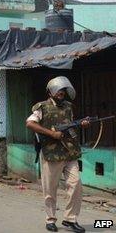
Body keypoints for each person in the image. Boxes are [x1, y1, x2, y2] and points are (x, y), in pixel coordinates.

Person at [26, 76, 87, 233]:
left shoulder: (68, 107)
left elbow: (70, 126)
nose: (61, 93)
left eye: (63, 90)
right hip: (51, 154)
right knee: (50, 189)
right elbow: (30, 123)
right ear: (51, 91)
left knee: (76, 185)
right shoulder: (42, 107)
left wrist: (81, 124)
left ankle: (70, 219)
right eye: (59, 90)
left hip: (69, 152)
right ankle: (50, 219)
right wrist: (51, 134)